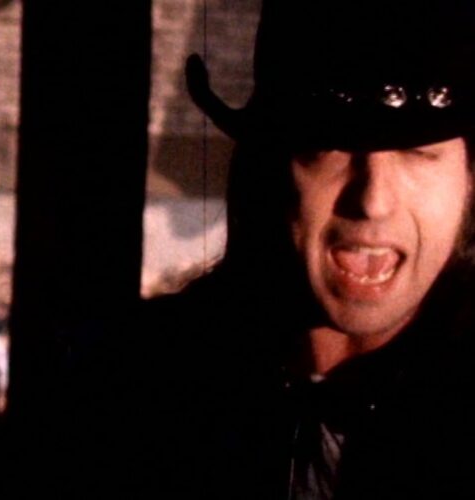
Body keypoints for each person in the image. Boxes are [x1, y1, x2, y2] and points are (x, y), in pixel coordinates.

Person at [78, 1, 475, 498]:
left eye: (419, 153)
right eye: (330, 147)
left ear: (468, 181)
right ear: (269, 168)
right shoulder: (142, 383)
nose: (373, 201)